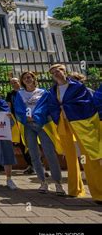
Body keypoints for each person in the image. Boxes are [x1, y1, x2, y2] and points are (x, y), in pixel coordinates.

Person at [48, 64, 102, 203]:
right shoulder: (53, 91)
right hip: (63, 124)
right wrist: (59, 113)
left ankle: (99, 193)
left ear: (65, 71)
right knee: (70, 157)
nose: (56, 73)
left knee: (89, 156)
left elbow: (86, 103)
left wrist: (66, 107)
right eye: (53, 72)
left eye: (59, 70)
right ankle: (75, 190)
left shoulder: (77, 87)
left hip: (80, 123)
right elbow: (52, 106)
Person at [14, 72, 66, 196]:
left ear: (34, 79)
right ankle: (43, 182)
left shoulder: (43, 93)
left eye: (29, 77)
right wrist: (27, 118)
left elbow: (47, 107)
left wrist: (36, 116)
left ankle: (58, 183)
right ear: (22, 81)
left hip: (43, 125)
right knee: (34, 154)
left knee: (49, 153)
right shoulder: (20, 94)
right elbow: (18, 109)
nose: (27, 79)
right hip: (27, 125)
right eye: (24, 78)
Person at [5, 77, 34, 174]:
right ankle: (30, 165)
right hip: (17, 122)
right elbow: (8, 106)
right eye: (11, 82)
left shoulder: (25, 92)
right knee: (22, 144)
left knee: (32, 143)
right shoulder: (10, 94)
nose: (13, 84)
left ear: (19, 82)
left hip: (28, 120)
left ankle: (38, 165)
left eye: (15, 82)